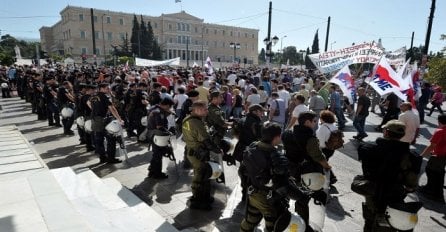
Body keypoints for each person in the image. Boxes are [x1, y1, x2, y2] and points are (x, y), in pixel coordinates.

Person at [358, 120, 417, 231]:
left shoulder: (368, 148)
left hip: (373, 192)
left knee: (370, 220)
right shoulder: (409, 155)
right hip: (395, 195)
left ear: (386, 132)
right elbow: (411, 183)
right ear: (402, 135)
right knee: (390, 222)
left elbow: (366, 170)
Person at [240, 123, 292, 232]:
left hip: (252, 193)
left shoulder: (252, 146)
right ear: (277, 137)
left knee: (250, 221)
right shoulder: (275, 156)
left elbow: (242, 171)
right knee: (272, 226)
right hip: (268, 199)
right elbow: (282, 183)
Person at [286, 111, 331, 229]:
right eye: (314, 121)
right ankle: (303, 225)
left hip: (291, 169)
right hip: (306, 173)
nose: (316, 123)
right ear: (307, 122)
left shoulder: (289, 133)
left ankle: (292, 220)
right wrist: (326, 165)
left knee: (295, 195)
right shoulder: (309, 137)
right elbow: (317, 155)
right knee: (303, 199)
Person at [182, 101, 221, 210]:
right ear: (197, 110)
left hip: (193, 151)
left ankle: (203, 198)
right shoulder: (197, 123)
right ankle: (199, 201)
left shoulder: (187, 119)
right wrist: (217, 150)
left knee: (201, 175)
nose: (207, 111)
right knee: (201, 177)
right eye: (205, 109)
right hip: (199, 153)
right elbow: (206, 141)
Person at [233, 104, 264, 201]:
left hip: (241, 148)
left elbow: (235, 133)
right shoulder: (256, 122)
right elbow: (260, 137)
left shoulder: (242, 119)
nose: (262, 113)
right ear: (254, 111)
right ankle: (249, 194)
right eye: (260, 111)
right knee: (252, 172)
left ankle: (244, 192)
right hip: (252, 150)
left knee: (243, 170)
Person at [88, 83, 124, 164]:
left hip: (94, 119)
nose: (109, 89)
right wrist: (119, 119)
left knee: (99, 140)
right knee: (111, 139)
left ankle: (102, 158)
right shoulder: (105, 96)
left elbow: (88, 103)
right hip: (103, 119)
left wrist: (95, 110)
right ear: (102, 88)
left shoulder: (93, 96)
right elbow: (112, 108)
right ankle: (111, 158)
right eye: (107, 88)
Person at [419, 114, 446, 203]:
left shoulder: (440, 131)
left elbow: (432, 146)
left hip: (438, 156)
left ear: (439, 121)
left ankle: (433, 193)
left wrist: (421, 155)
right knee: (439, 174)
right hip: (443, 156)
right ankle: (432, 190)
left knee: (431, 172)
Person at [147, 98, 175, 179]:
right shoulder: (159, 113)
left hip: (152, 134)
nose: (169, 109)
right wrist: (169, 133)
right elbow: (159, 126)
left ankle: (152, 170)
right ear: (166, 105)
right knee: (158, 155)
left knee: (156, 154)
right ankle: (157, 174)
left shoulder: (154, 108)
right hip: (157, 135)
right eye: (169, 107)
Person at [316, 110, 338, 185]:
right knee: (324, 163)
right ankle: (332, 178)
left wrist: (318, 149)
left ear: (323, 119)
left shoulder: (323, 127)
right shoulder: (334, 126)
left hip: (324, 149)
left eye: (320, 118)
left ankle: (330, 178)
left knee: (321, 163)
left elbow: (320, 141)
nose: (319, 119)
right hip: (332, 148)